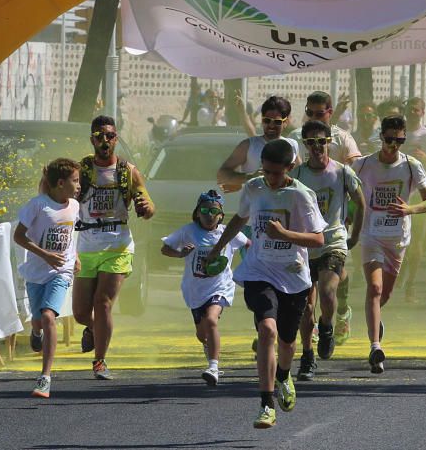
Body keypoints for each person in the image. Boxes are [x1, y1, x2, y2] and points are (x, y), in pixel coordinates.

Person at [203, 139, 327, 429]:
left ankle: (284, 375)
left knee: (287, 341)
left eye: (276, 173)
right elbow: (240, 217)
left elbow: (318, 239)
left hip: (294, 275)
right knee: (267, 330)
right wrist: (218, 246)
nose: (270, 178)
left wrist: (284, 233)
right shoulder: (254, 188)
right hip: (259, 270)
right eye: (266, 171)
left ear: (290, 168)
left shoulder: (301, 195)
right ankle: (265, 404)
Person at [73, 115, 155, 380]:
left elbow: (148, 204)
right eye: (99, 136)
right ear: (92, 140)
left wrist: (145, 208)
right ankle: (92, 329)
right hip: (86, 246)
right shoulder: (82, 170)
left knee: (103, 303)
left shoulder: (128, 172)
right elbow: (60, 192)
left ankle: (100, 362)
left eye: (109, 136)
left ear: (116, 139)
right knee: (81, 313)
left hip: (118, 245)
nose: (104, 141)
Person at [353, 115, 426, 374]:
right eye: (389, 140)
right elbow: (345, 189)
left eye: (400, 140)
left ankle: (374, 322)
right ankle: (375, 347)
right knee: (374, 289)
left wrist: (410, 208)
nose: (394, 146)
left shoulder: (411, 166)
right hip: (370, 235)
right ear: (381, 137)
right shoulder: (364, 165)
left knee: (383, 295)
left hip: (397, 239)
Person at [290, 120, 364, 381]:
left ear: (329, 142)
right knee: (303, 308)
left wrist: (353, 236)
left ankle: (327, 326)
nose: (317, 147)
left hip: (332, 242)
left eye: (321, 141)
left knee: (327, 289)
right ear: (305, 145)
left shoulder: (343, 172)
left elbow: (360, 203)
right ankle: (308, 357)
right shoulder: (297, 175)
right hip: (303, 246)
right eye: (311, 143)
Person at [160, 190, 249, 386]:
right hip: (195, 290)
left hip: (220, 287)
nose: (209, 215)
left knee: (211, 320)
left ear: (221, 216)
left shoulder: (229, 233)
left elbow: (248, 244)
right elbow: (165, 248)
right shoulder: (188, 231)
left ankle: (213, 367)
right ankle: (209, 347)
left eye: (214, 212)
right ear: (197, 212)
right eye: (205, 210)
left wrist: (253, 263)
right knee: (202, 334)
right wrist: (181, 253)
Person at [14, 158, 81, 398]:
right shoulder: (38, 205)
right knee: (38, 320)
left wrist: (76, 257)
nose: (79, 185)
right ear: (60, 183)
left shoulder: (74, 205)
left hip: (61, 271)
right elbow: (18, 237)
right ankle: (36, 333)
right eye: (75, 181)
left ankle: (45, 378)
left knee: (48, 315)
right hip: (36, 272)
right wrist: (44, 254)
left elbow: (72, 233)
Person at [398, 98, 426, 303]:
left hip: (420, 195)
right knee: (397, 240)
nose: (414, 113)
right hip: (397, 194)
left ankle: (410, 285)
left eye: (417, 110)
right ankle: (399, 269)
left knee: (416, 242)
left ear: (423, 113)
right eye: (410, 110)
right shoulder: (399, 133)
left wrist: (425, 156)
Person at [217, 96, 300, 193]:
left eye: (277, 122)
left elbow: (300, 175)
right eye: (267, 121)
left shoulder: (292, 145)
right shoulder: (248, 146)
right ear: (262, 120)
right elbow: (222, 174)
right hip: (256, 206)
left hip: (285, 205)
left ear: (285, 123)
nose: (271, 125)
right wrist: (250, 177)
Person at [290, 91, 360, 165]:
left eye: (319, 114)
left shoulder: (343, 138)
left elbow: (357, 165)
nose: (313, 118)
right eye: (309, 113)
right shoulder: (295, 137)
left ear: (330, 112)